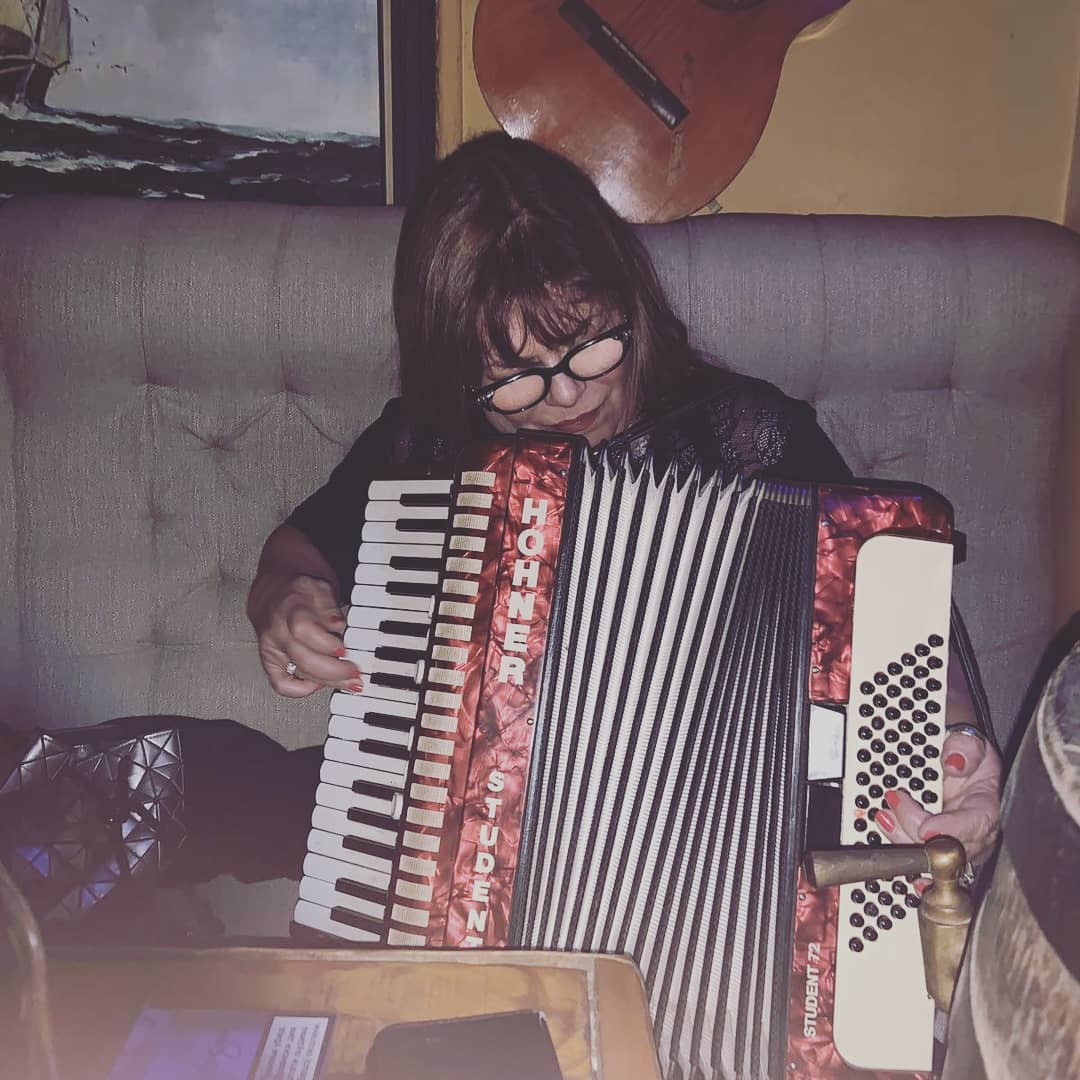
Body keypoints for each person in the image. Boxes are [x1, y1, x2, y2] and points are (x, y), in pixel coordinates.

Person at [247, 132, 1001, 864]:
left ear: (627, 302)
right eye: (514, 377)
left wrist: (957, 743)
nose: (565, 395)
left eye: (587, 343)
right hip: (475, 860)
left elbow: (895, 597)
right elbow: (303, 546)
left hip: (728, 857)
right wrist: (286, 593)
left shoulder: (748, 436)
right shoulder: (431, 447)